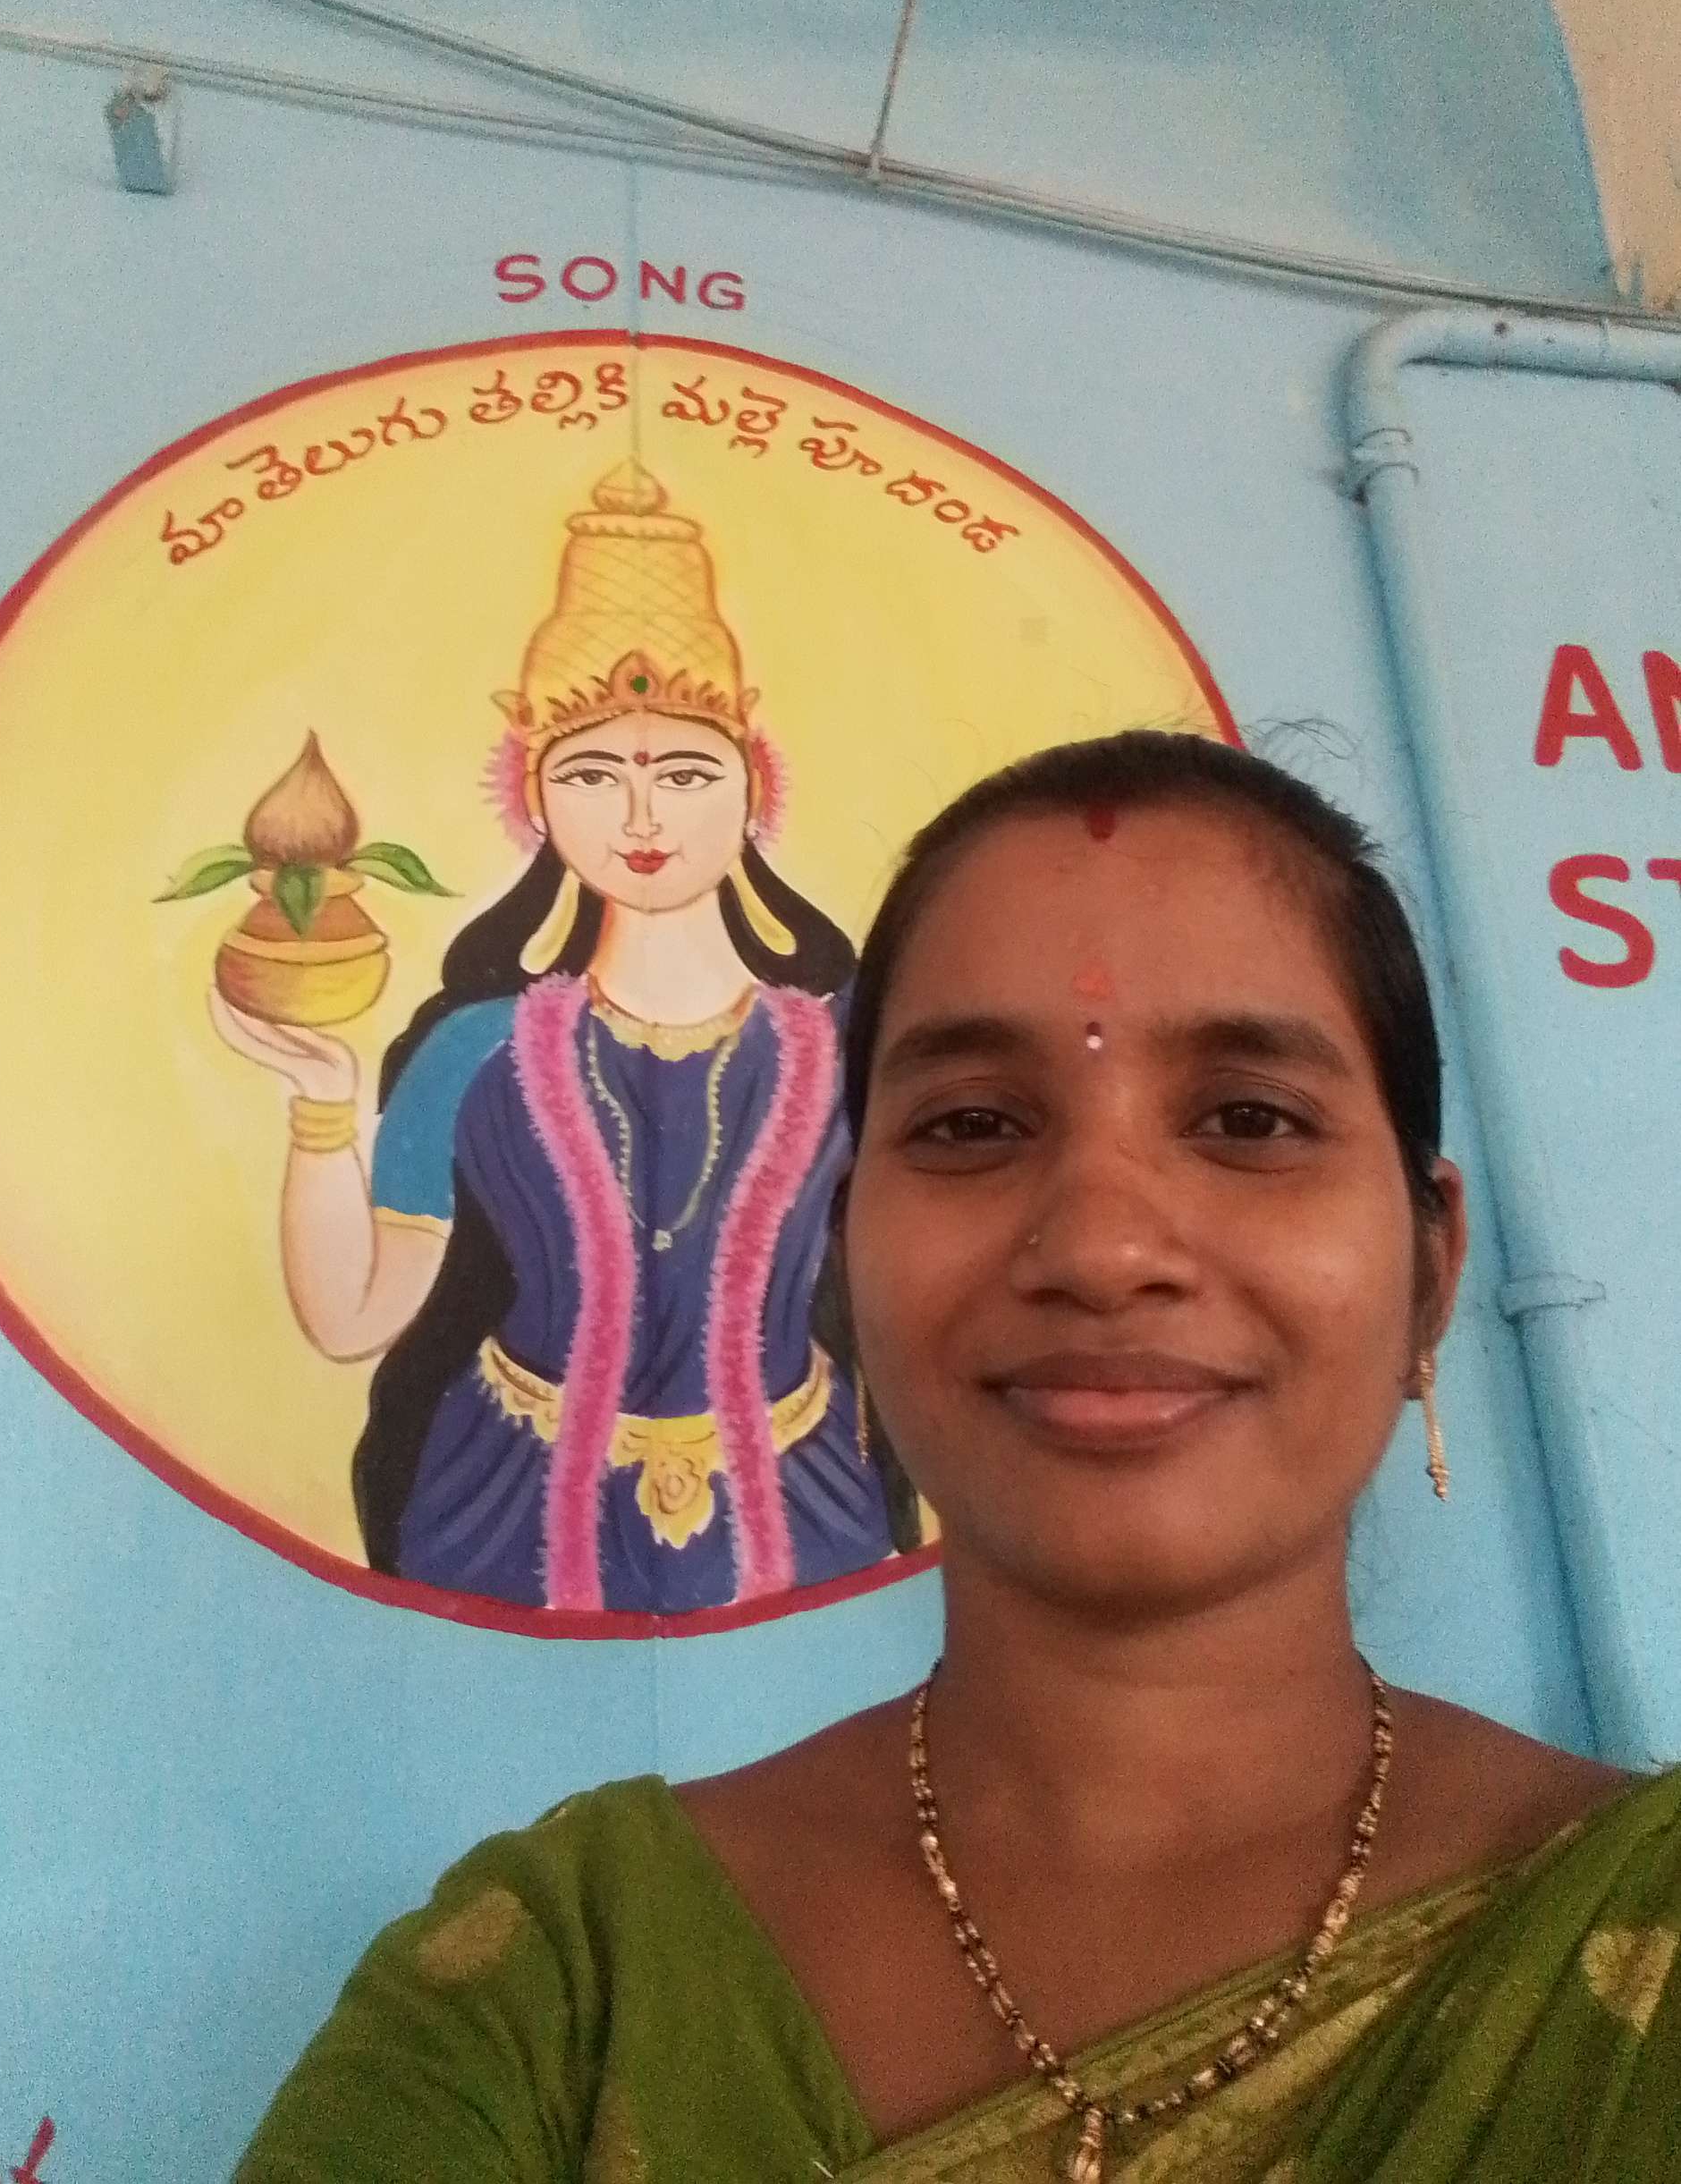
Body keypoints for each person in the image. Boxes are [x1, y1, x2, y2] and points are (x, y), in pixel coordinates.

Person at [235, 732, 1680, 2180]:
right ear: (848, 1259)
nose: (1103, 1247)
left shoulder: (1645, 1935)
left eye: (1250, 1119)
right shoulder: (560, 1991)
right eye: (974, 1124)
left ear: (1430, 1270)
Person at [212, 461, 904, 1614]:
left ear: (753, 786)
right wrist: (322, 1106)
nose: (641, 815)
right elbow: (350, 1318)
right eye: (591, 773)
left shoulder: (851, 1046)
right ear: (534, 797)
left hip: (809, 1496)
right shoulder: (473, 1051)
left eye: (685, 771)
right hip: (506, 1506)